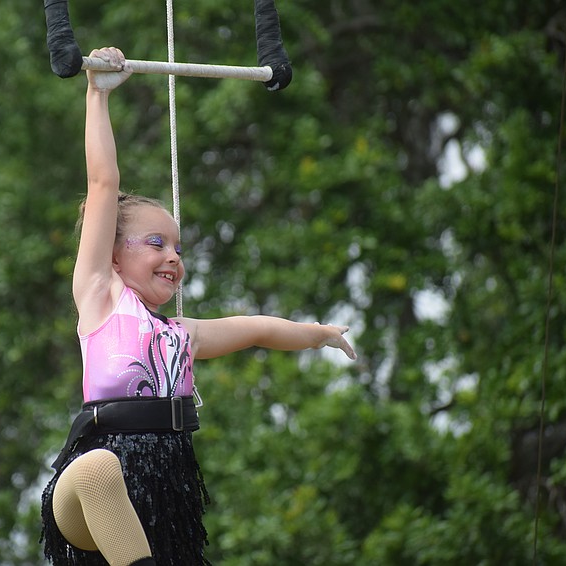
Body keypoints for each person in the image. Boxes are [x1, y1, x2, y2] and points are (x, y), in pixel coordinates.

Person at [40, 46, 357, 566]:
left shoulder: (181, 337)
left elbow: (255, 329)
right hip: (89, 489)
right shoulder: (100, 297)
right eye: (156, 244)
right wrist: (97, 94)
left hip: (163, 495)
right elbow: (103, 183)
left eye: (179, 248)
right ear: (114, 254)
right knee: (99, 469)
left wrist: (317, 333)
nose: (173, 257)